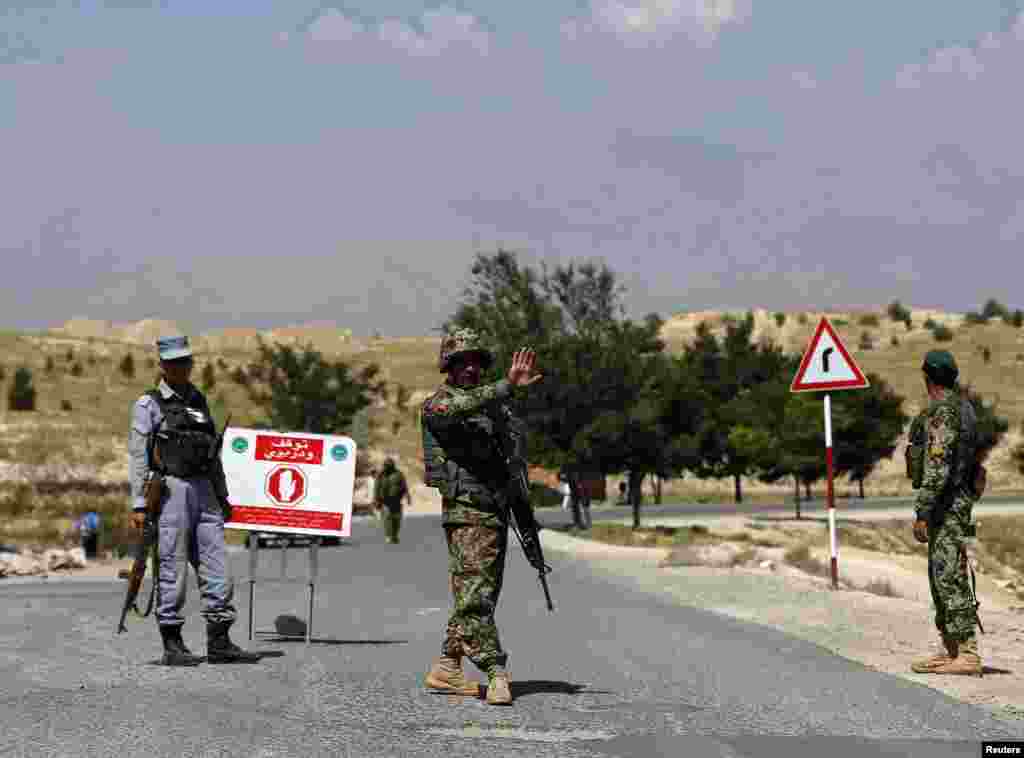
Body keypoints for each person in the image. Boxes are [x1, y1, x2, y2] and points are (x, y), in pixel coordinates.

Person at [420, 328, 542, 706]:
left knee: (481, 595)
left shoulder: (494, 407)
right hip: (467, 510)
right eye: (462, 362)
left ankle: (447, 667)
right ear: (449, 367)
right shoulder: (438, 404)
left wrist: (522, 509)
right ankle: (495, 671)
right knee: (476, 596)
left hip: (495, 510)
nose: (471, 368)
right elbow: (457, 409)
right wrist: (506, 385)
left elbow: (511, 461)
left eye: (476, 362)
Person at [128, 335, 260, 667]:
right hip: (171, 489)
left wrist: (223, 494)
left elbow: (213, 453)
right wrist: (139, 504)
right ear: (162, 366)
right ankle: (172, 643)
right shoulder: (149, 403)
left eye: (185, 362)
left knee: (217, 565)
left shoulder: (198, 400)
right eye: (173, 363)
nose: (180, 368)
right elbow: (138, 456)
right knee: (172, 565)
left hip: (204, 490)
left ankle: (220, 641)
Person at [907, 350, 983, 677]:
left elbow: (937, 468)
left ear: (927, 377)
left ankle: (966, 652)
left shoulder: (943, 413)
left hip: (946, 505)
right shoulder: (963, 408)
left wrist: (922, 510)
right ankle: (950, 647)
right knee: (942, 574)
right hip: (954, 501)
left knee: (949, 575)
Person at [375, 457, 411, 544]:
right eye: (386, 465)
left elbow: (404, 486)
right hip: (385, 501)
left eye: (389, 465)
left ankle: (394, 535)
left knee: (396, 519)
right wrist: (376, 500)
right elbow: (376, 488)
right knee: (387, 518)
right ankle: (388, 536)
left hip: (396, 501)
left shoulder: (399, 474)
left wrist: (408, 497)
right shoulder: (381, 475)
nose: (387, 467)